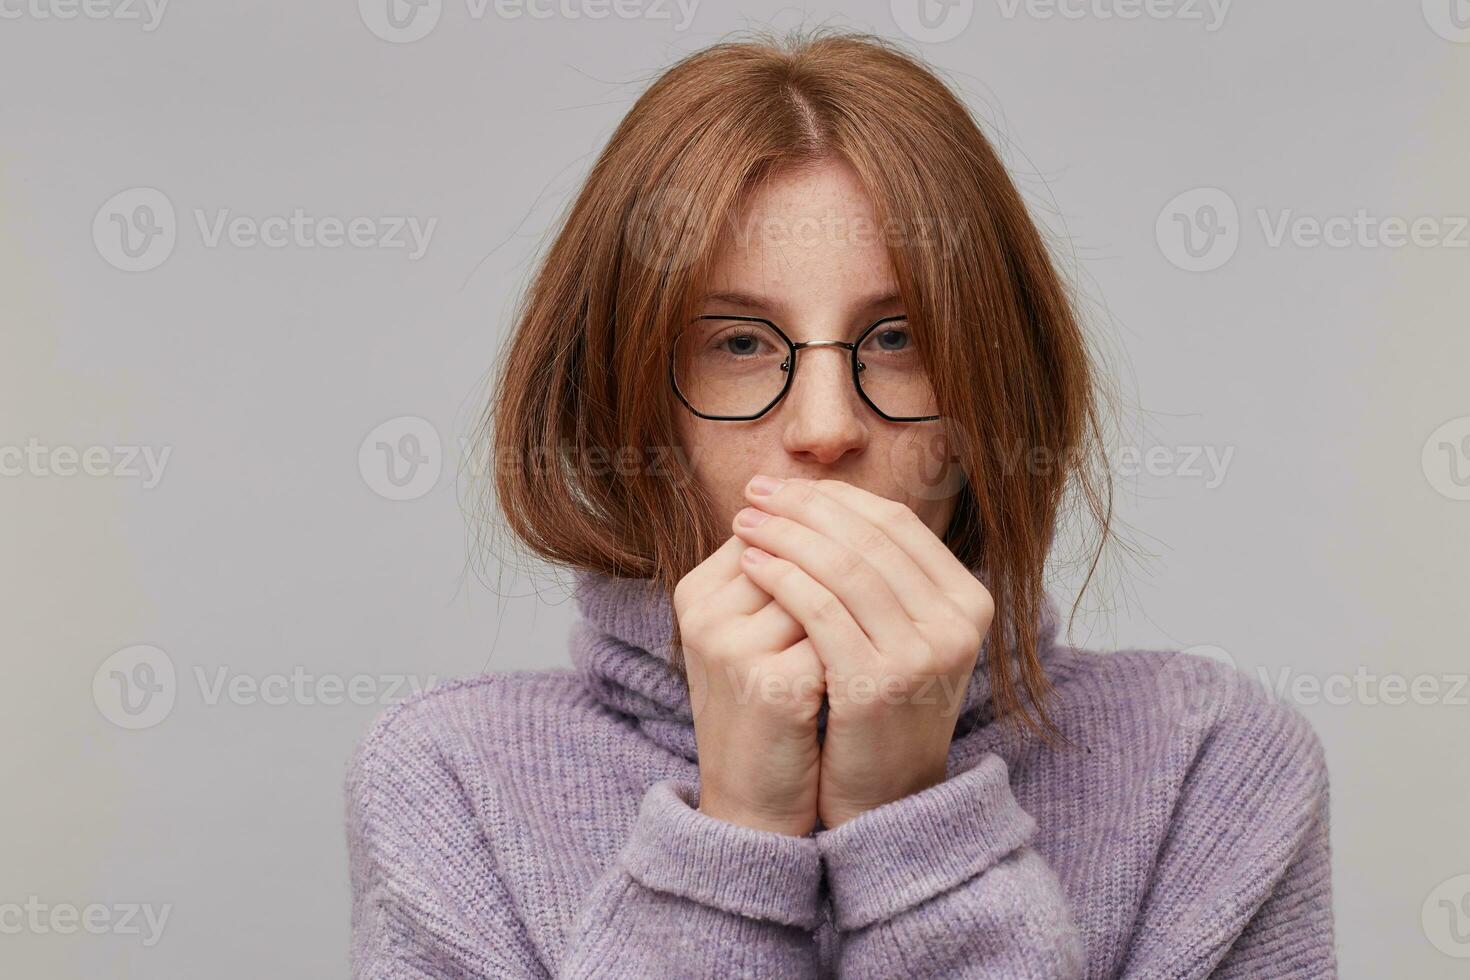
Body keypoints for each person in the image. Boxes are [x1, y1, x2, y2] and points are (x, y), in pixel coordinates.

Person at [345, 28, 1336, 978]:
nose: (826, 426)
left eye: (900, 337)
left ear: (999, 386)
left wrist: (907, 822)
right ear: (630, 402)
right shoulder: (453, 783)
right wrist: (732, 839)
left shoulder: (1209, 764)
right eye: (738, 343)